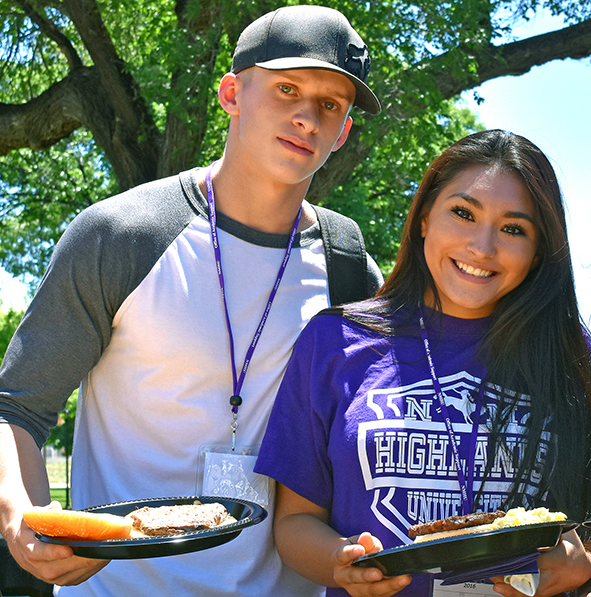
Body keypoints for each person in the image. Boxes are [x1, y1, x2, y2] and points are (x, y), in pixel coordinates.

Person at [0, 5, 384, 597]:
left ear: (344, 131)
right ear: (232, 93)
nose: (307, 117)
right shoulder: (121, 236)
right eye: (287, 89)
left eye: (331, 105)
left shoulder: (349, 269)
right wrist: (21, 519)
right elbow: (16, 410)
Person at [255, 129, 591, 597]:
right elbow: (296, 521)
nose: (482, 246)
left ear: (539, 252)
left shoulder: (575, 356)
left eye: (514, 229)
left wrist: (584, 565)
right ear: (424, 219)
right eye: (463, 213)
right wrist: (338, 562)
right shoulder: (334, 342)